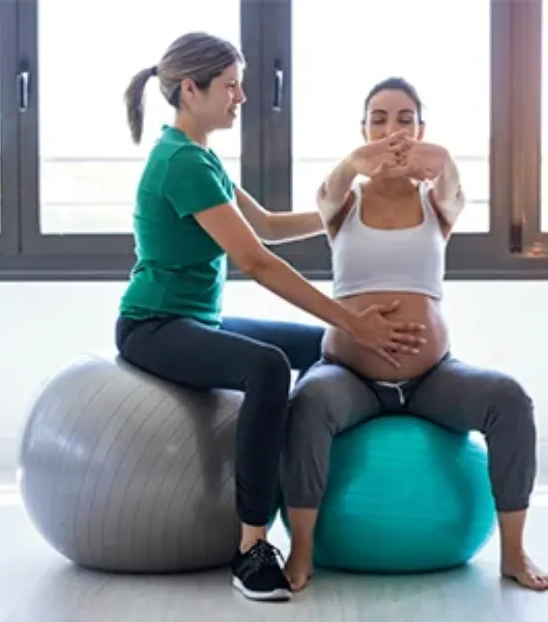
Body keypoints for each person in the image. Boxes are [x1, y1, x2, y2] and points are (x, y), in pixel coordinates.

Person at [115, 34, 426, 602]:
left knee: (318, 345)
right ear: (192, 90)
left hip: (194, 321)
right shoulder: (181, 162)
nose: (242, 97)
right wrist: (352, 320)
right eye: (231, 86)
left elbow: (267, 225)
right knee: (268, 367)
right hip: (153, 326)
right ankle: (252, 545)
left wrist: (348, 206)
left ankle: (316, 475)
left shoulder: (199, 156)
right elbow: (256, 260)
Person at [279, 77, 548, 593]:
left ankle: (514, 553)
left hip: (432, 378)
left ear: (421, 130)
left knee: (509, 399)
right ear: (363, 130)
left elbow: (452, 188)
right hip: (350, 376)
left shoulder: (436, 203)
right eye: (379, 119)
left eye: (405, 120)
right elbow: (328, 192)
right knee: (308, 402)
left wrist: (443, 160)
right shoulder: (344, 202)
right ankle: (301, 551)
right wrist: (353, 163)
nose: (393, 131)